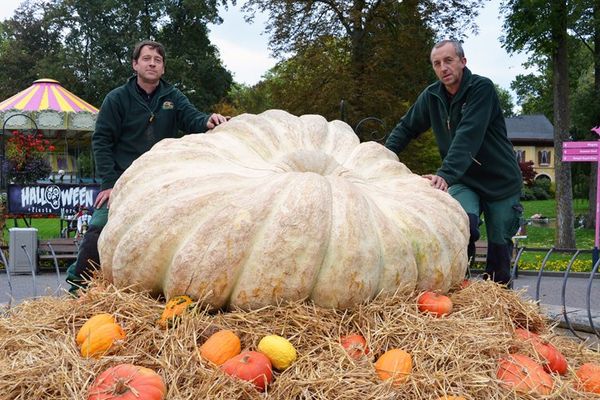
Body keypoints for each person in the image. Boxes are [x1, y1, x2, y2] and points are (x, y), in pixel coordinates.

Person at [66, 40, 229, 294]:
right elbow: (102, 141)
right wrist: (109, 184)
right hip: (124, 181)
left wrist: (208, 120)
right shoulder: (117, 99)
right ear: (135, 64)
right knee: (100, 226)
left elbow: (192, 118)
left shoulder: (172, 97)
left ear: (163, 68)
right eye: (146, 58)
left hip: (161, 181)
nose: (152, 63)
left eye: (158, 60)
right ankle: (78, 284)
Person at [384, 39, 522, 286]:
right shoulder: (432, 96)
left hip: (500, 181)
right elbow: (406, 128)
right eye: (437, 64)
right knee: (461, 224)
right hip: (464, 179)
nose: (443, 68)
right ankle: (460, 285)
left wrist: (444, 174)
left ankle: (498, 294)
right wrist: (380, 156)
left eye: (448, 61)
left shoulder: (482, 89)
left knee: (499, 241)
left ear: (463, 62)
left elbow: (468, 135)